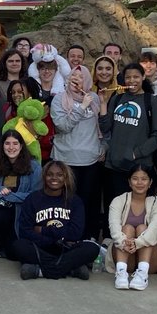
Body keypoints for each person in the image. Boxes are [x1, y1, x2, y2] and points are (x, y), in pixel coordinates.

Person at [12, 160, 101, 280]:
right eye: (50, 174)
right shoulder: (32, 199)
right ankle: (71, 269)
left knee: (92, 248)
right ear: (44, 177)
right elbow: (25, 231)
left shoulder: (75, 201)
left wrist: (43, 230)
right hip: (41, 247)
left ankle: (39, 271)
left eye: (59, 175)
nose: (54, 178)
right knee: (19, 245)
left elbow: (76, 233)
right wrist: (53, 240)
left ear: (66, 178)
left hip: (66, 248)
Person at [50, 66, 106, 241]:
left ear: (87, 80)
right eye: (73, 75)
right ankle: (65, 238)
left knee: (89, 202)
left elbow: (104, 126)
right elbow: (62, 126)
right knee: (66, 202)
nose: (76, 78)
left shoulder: (94, 98)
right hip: (65, 160)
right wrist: (81, 107)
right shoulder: (59, 99)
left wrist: (103, 146)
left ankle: (88, 238)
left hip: (91, 159)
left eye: (80, 77)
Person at [101, 63, 157, 202]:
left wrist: (135, 153)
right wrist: (103, 103)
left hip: (139, 168)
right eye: (128, 77)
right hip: (114, 166)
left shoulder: (151, 101)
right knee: (115, 207)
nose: (132, 81)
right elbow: (105, 128)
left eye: (136, 77)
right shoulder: (117, 98)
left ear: (143, 77)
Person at [107, 162, 157, 290]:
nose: (139, 183)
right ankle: (121, 273)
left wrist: (138, 243)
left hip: (151, 260)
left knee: (143, 228)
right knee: (127, 228)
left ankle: (142, 274)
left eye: (144, 179)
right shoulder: (118, 200)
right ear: (129, 182)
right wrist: (123, 242)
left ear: (150, 182)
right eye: (135, 179)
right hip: (126, 254)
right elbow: (113, 227)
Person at [0, 129, 42, 253]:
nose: (11, 147)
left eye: (15, 143)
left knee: (16, 250)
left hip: (23, 209)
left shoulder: (34, 166)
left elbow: (36, 194)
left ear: (21, 146)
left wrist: (10, 196)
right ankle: (1, 244)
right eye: (7, 143)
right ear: (2, 146)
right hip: (1, 208)